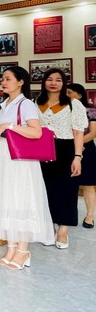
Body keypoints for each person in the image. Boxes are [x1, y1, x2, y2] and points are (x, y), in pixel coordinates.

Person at [0, 66, 54, 270]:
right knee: (7, 201)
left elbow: (36, 132)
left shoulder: (26, 105)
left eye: (8, 78)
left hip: (22, 161)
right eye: (3, 78)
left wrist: (10, 126)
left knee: (22, 202)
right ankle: (11, 246)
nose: (4, 82)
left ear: (20, 82)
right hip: (5, 160)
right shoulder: (4, 104)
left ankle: (23, 251)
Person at [36, 69, 88, 248]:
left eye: (58, 80)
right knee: (45, 188)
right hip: (42, 149)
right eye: (49, 79)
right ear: (43, 82)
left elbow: (78, 131)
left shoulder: (73, 104)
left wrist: (78, 156)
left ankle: (63, 229)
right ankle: (48, 225)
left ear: (64, 83)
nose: (53, 83)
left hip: (66, 149)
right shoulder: (37, 102)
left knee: (66, 190)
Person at [66, 83, 96, 229]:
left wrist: (78, 143)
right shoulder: (65, 110)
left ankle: (90, 216)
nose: (67, 95)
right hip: (69, 149)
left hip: (87, 149)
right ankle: (67, 216)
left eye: (69, 92)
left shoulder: (90, 110)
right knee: (68, 184)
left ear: (79, 95)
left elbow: (93, 132)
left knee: (88, 185)